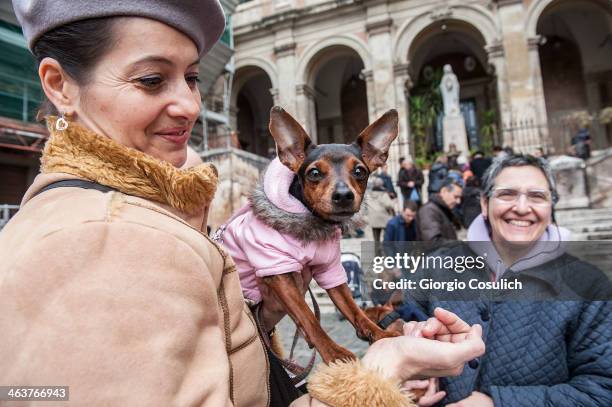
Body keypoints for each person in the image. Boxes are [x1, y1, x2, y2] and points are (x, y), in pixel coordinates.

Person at [0, 2, 486, 406]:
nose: (191, 105)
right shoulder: (100, 237)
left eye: (191, 77)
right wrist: (382, 370)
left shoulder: (149, 214)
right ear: (60, 85)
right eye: (151, 79)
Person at [407, 154, 612, 406]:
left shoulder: (589, 285)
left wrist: (498, 403)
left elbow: (602, 389)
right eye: (507, 194)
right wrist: (408, 371)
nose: (522, 208)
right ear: (484, 203)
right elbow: (398, 324)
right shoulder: (436, 267)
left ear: (551, 207)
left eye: (537, 196)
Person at [365, 177, 395, 242]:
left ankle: (377, 252)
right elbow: (389, 205)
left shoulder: (369, 194)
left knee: (376, 240)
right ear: (382, 184)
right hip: (384, 218)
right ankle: (386, 251)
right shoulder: (383, 194)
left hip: (373, 219)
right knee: (387, 237)